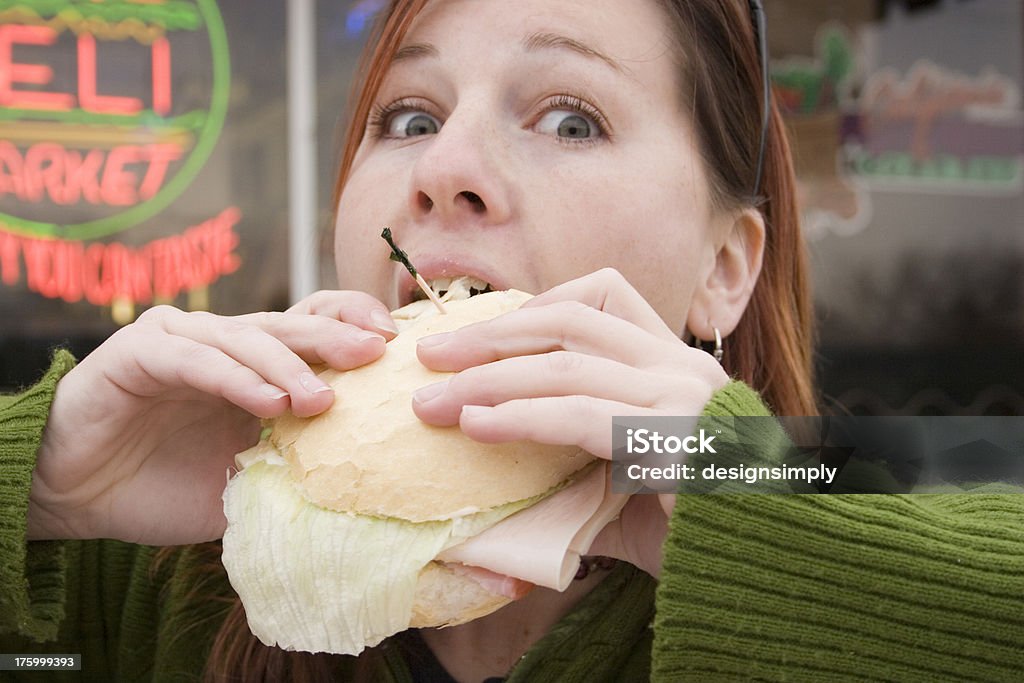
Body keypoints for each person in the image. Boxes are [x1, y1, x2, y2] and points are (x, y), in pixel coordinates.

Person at [1, 0, 1021, 680]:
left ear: (724, 266)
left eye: (570, 119)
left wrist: (782, 534)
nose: (443, 166)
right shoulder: (140, 567)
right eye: (406, 116)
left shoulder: (850, 533)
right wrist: (39, 487)